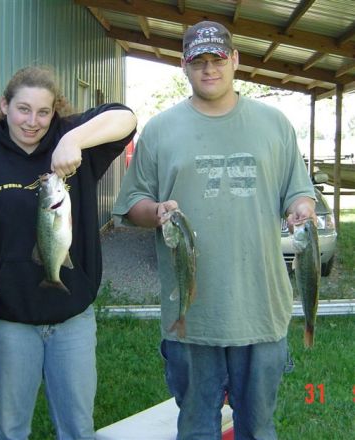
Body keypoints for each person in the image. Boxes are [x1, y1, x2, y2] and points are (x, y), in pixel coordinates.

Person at [113, 21, 316, 440]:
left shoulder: (274, 124)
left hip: (261, 309)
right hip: (192, 316)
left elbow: (299, 192)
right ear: (184, 67)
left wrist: (301, 209)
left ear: (235, 61)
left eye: (217, 59)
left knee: (258, 429)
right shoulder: (161, 129)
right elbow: (131, 205)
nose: (209, 69)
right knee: (196, 428)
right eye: (198, 61)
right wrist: (155, 213)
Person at [0, 65, 136, 440]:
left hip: (72, 318)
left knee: (78, 427)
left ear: (55, 111)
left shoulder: (75, 144)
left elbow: (126, 118)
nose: (33, 122)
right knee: (10, 428)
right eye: (23, 109)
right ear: (4, 106)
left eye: (44, 112)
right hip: (11, 318)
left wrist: (73, 141)